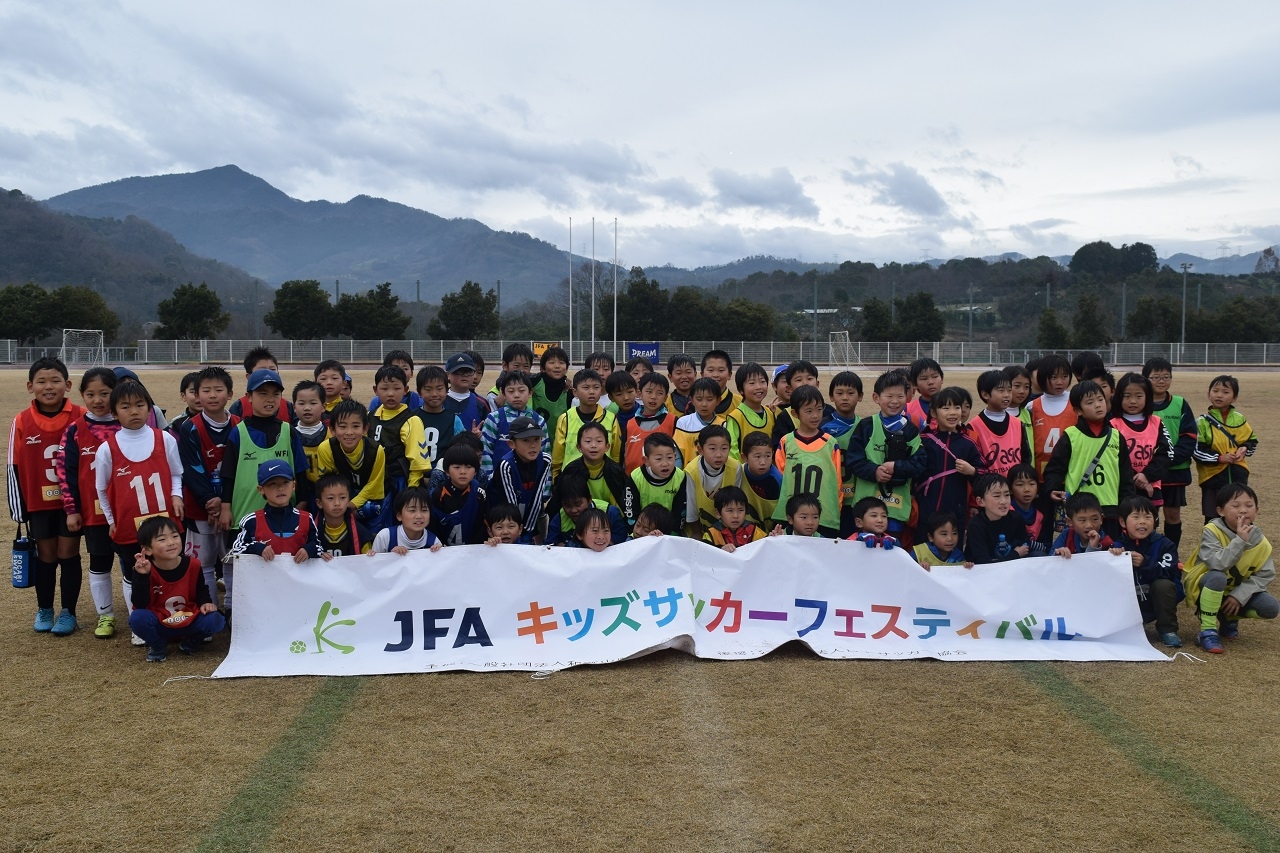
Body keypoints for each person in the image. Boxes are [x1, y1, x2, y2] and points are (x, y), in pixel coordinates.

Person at [96, 380, 184, 642]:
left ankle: (169, 617)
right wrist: (111, 519)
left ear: (149, 409)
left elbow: (177, 473)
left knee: (167, 569)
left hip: (164, 524)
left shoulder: (164, 438)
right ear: (114, 413)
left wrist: (176, 496)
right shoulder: (107, 449)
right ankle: (140, 624)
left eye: (139, 405)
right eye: (125, 407)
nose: (133, 411)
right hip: (127, 526)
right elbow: (101, 489)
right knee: (133, 572)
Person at [217, 368, 310, 616]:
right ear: (248, 398)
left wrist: (301, 503)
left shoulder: (289, 431)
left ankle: (279, 612)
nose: (269, 399)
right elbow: (228, 474)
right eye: (262, 393)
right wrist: (226, 507)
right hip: (242, 512)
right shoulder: (239, 432)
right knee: (240, 564)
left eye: (275, 394)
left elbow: (301, 471)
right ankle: (234, 608)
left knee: (278, 563)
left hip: (281, 513)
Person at [9, 357, 85, 634]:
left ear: (67, 385)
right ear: (31, 386)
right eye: (41, 381)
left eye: (55, 381)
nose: (48, 386)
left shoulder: (80, 416)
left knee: (69, 554)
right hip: (39, 505)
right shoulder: (21, 421)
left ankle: (68, 612)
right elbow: (12, 468)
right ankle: (44, 609)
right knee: (46, 556)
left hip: (71, 505)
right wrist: (20, 511)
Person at [56, 367, 118, 637]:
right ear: (82, 395)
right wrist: (72, 510)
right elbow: (65, 472)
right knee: (99, 561)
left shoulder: (128, 424)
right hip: (94, 515)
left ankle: (140, 612)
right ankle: (105, 616)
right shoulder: (75, 430)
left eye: (105, 393)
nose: (98, 400)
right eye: (91, 394)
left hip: (127, 512)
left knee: (132, 564)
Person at [1181, 484, 1277, 653]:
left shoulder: (1261, 541)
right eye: (1235, 505)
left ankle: (1228, 617)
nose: (1243, 511)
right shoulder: (1212, 531)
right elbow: (1217, 564)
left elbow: (1265, 575)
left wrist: (1239, 596)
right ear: (1221, 511)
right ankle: (1207, 631)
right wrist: (1240, 541)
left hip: (1235, 590)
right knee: (1218, 577)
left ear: (1257, 510)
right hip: (1205, 585)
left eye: (1249, 506)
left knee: (1270, 607)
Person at [177, 366, 238, 610]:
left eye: (218, 389)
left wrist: (224, 500)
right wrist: (209, 501)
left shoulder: (239, 426)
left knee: (233, 560)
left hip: (233, 506)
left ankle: (234, 609)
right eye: (206, 390)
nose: (212, 395)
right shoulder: (189, 428)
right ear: (197, 395)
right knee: (204, 564)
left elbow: (239, 470)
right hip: (201, 508)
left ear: (230, 394)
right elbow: (191, 470)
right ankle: (210, 610)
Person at [1043, 379, 1135, 539]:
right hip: (1080, 509)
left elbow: (1126, 475)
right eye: (1090, 402)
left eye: (1100, 400)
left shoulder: (1116, 437)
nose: (1098, 405)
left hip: (1110, 508)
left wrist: (1126, 505)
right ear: (1078, 410)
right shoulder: (1070, 436)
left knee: (1109, 552)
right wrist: (1052, 489)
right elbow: (1055, 468)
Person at [128, 517, 225, 663]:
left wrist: (206, 602)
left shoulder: (193, 564)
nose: (171, 542)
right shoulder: (144, 568)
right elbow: (139, 604)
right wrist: (142, 576)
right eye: (162, 539)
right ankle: (158, 645)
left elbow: (201, 590)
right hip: (160, 621)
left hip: (188, 618)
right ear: (147, 549)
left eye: (174, 536)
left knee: (216, 618)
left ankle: (192, 641)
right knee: (137, 618)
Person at [846, 371, 926, 543]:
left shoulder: (911, 430)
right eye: (889, 396)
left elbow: (920, 464)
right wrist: (874, 471)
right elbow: (853, 460)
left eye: (900, 396)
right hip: (866, 507)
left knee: (892, 549)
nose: (895, 401)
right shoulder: (866, 426)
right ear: (876, 397)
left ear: (907, 397)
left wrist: (896, 467)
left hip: (895, 508)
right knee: (864, 550)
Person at [773, 385, 843, 538]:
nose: (815, 415)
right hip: (792, 516)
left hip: (823, 518)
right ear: (795, 413)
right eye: (809, 411)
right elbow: (780, 476)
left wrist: (835, 510)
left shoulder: (831, 443)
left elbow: (837, 481)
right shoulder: (786, 442)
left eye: (819, 409)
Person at [1143, 357, 1197, 549]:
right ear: (1145, 379)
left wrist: (1169, 460)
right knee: (1148, 515)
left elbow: (1189, 436)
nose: (1161, 381)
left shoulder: (1180, 404)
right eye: (1155, 377)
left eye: (1166, 376)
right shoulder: (1140, 405)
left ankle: (1171, 553)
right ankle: (1150, 551)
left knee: (1173, 514)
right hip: (1147, 473)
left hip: (1175, 471)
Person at [370, 365, 432, 531]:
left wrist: (410, 491)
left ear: (405, 389)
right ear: (376, 390)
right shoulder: (370, 417)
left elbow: (418, 462)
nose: (390, 394)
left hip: (399, 483)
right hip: (373, 483)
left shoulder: (412, 420)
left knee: (397, 528)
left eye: (396, 388)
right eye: (384, 388)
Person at [914, 386, 981, 536]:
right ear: (933, 413)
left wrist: (972, 471)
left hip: (956, 509)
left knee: (953, 550)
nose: (953, 413)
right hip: (926, 507)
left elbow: (984, 473)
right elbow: (913, 471)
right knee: (924, 547)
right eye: (945, 408)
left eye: (957, 407)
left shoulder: (968, 443)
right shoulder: (924, 440)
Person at [1116, 495, 1182, 647]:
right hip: (1133, 599)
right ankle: (1122, 625)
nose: (1142, 522)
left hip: (1157, 597)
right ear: (1122, 522)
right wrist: (1113, 557)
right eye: (1136, 517)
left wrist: (1145, 563)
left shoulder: (1165, 544)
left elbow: (1170, 573)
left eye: (1148, 517)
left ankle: (1168, 630)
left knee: (1163, 585)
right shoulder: (1117, 546)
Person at [309, 399, 386, 527]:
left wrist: (352, 505)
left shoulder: (376, 450)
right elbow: (328, 483)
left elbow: (374, 485)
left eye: (355, 426)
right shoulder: (326, 448)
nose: (349, 432)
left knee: (373, 512)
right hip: (339, 498)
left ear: (365, 428)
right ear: (332, 429)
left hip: (366, 499)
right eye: (343, 426)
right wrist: (342, 504)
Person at [228, 460, 323, 563]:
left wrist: (309, 550)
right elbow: (236, 550)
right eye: (272, 484)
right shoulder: (251, 520)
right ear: (261, 489)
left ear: (294, 485)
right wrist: (258, 548)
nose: (280, 488)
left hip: (297, 578)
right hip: (263, 578)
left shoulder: (307, 518)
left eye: (285, 482)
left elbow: (320, 548)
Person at [1193, 375, 1257, 525]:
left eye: (1225, 392)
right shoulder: (1201, 422)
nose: (1219, 395)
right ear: (1209, 395)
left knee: (1240, 517)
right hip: (1213, 478)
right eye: (1215, 391)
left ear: (1235, 397)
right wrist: (1219, 458)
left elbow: (1252, 441)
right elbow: (1196, 451)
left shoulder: (1240, 419)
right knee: (1213, 519)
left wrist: (1244, 449)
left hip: (1238, 476)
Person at [1110, 372, 1173, 510]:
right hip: (1122, 488)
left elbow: (1167, 452)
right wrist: (1137, 479)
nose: (1133, 401)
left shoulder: (1156, 422)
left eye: (1139, 396)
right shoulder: (1112, 425)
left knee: (1147, 527)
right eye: (1127, 396)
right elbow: (1111, 458)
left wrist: (1147, 475)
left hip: (1151, 487)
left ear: (1147, 397)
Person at [488, 416, 553, 544]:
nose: (533, 445)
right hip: (503, 521)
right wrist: (518, 534)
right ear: (512, 444)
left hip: (525, 522)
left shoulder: (545, 460)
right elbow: (510, 504)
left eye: (537, 439)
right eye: (526, 440)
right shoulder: (506, 465)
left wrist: (528, 531)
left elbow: (536, 498)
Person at [481, 370, 548, 480]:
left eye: (521, 391)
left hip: (530, 483)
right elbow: (485, 452)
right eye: (511, 391)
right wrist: (489, 481)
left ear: (530, 393)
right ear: (503, 393)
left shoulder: (539, 421)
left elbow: (545, 454)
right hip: (499, 484)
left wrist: (544, 489)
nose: (516, 395)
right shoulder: (494, 419)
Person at [969, 370, 1032, 487]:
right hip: (989, 490)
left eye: (1009, 390)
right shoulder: (973, 427)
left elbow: (1026, 458)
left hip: (1015, 489)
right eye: (1001, 390)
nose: (1007, 394)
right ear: (985, 394)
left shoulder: (1018, 423)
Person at [552, 368, 618, 476]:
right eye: (586, 387)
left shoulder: (611, 419)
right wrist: (556, 479)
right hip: (571, 479)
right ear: (575, 392)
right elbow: (557, 456)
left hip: (604, 478)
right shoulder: (566, 418)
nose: (591, 392)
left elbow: (615, 454)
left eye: (596, 387)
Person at [1023, 353, 1074, 477]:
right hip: (1040, 477)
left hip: (1070, 475)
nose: (1059, 382)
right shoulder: (1031, 407)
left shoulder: (1076, 402)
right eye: (1053, 377)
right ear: (1042, 378)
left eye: (1065, 376)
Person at [545, 470, 628, 546]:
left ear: (589, 499)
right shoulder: (559, 517)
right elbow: (550, 546)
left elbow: (622, 541)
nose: (573, 510)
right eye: (567, 505)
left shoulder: (610, 512)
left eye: (578, 504)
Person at [428, 445, 488, 546]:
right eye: (457, 467)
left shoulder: (480, 493)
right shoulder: (437, 494)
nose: (463, 472)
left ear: (475, 471)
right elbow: (433, 526)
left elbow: (482, 525)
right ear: (447, 471)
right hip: (443, 550)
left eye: (468, 467)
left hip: (474, 550)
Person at [964, 474, 1030, 564]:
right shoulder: (976, 525)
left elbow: (1025, 547)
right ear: (980, 501)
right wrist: (1015, 554)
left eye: (1007, 495)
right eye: (996, 496)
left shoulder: (1016, 518)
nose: (1003, 501)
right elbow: (983, 562)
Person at [620, 372, 678, 475]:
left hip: (665, 481)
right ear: (639, 393)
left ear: (665, 397)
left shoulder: (673, 421)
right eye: (649, 391)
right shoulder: (630, 424)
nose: (653, 397)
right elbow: (622, 456)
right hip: (633, 482)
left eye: (659, 393)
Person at [629, 433, 688, 530]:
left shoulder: (680, 477)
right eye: (658, 459)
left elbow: (680, 511)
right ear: (646, 460)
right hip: (640, 532)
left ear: (675, 456)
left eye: (669, 457)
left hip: (668, 532)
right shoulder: (636, 477)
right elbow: (631, 511)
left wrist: (674, 533)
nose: (665, 464)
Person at [415, 365, 464, 469]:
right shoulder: (412, 418)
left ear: (447, 390)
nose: (434, 394)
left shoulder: (454, 420)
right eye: (428, 390)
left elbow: (461, 449)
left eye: (439, 389)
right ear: (419, 392)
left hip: (443, 475)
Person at [370, 486, 443, 554]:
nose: (419, 516)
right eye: (412, 510)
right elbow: (375, 566)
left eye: (424, 510)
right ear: (399, 515)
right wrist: (391, 556)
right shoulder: (385, 537)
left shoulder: (434, 541)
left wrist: (441, 553)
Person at [726, 362, 776, 460]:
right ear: (741, 390)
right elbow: (732, 449)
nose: (759, 387)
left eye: (762, 381)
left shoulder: (770, 413)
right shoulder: (736, 417)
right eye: (752, 383)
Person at [314, 474, 373, 557]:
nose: (337, 503)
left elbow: (368, 565)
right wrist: (315, 555)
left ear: (349, 501)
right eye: (331, 498)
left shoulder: (362, 534)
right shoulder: (310, 533)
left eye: (342, 497)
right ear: (319, 503)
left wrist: (370, 556)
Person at [228, 347, 292, 422]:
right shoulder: (239, 407)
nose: (268, 373)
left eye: (272, 370)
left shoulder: (288, 408)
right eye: (262, 370)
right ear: (249, 376)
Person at [673, 377, 727, 465]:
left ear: (718, 401)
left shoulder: (723, 425)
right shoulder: (683, 423)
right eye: (699, 399)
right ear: (692, 400)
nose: (704, 404)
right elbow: (678, 454)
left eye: (709, 399)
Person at [1051, 492, 1123, 557]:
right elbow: (1049, 562)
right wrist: (1057, 556)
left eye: (1094, 519)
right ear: (1070, 521)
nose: (1089, 525)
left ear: (1101, 519)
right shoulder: (1066, 535)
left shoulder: (1108, 544)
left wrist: (1117, 554)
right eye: (1082, 520)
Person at [702, 486, 765, 552]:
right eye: (730, 510)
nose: (735, 516)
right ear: (718, 513)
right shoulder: (711, 534)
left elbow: (766, 546)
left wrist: (773, 537)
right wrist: (721, 549)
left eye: (740, 510)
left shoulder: (752, 530)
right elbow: (704, 554)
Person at [1008, 463, 1052, 556]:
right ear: (1010, 489)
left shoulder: (1041, 514)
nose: (1027, 489)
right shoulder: (1006, 512)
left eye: (1032, 484)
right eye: (1020, 484)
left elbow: (1047, 544)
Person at [741, 431, 782, 528]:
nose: (763, 462)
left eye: (768, 456)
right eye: (757, 457)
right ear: (744, 457)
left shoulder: (777, 480)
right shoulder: (739, 472)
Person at [442, 352, 490, 433]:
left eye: (469, 371)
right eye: (459, 371)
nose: (465, 375)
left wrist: (479, 437)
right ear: (448, 375)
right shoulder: (439, 400)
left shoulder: (481, 404)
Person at [530, 345, 573, 428]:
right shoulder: (534, 382)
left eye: (561, 362)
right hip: (536, 439)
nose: (557, 366)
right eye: (552, 362)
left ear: (566, 368)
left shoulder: (569, 391)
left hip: (559, 439)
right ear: (542, 368)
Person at [292, 380, 329, 472]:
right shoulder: (289, 435)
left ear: (324, 407)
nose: (307, 408)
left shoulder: (332, 435)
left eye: (313, 403)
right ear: (294, 408)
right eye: (301, 403)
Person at [487, 343, 535, 411]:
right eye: (516, 366)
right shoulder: (494, 395)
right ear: (505, 366)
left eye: (526, 366)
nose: (521, 370)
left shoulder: (533, 386)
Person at [905, 358, 944, 430]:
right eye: (924, 379)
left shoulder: (953, 406)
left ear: (942, 379)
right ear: (915, 384)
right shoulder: (907, 409)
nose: (931, 382)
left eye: (935, 376)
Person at [700, 349, 741, 417]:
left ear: (729, 374)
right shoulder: (694, 403)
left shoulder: (740, 403)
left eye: (721, 370)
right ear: (702, 374)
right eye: (711, 370)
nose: (715, 375)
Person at [167, 371, 202, 438]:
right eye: (193, 392)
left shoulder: (220, 419)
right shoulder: (176, 423)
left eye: (204, 391)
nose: (198, 396)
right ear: (183, 396)